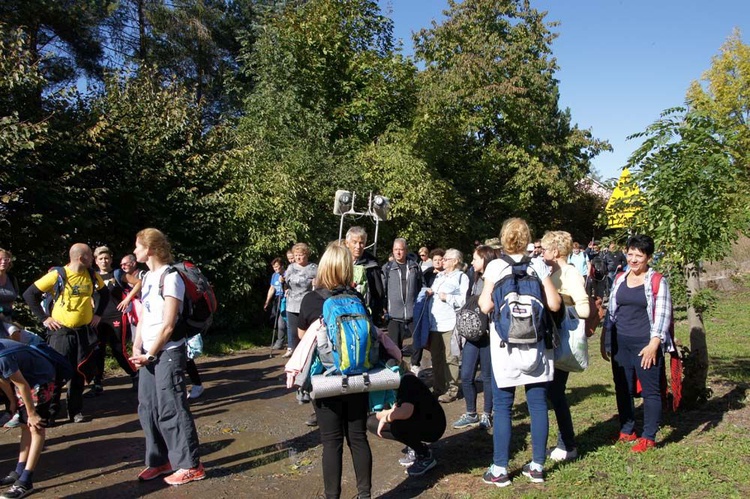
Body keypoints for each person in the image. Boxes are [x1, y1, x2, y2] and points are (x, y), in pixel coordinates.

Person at [479, 218, 561, 486]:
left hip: (505, 347)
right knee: (538, 404)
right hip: (536, 345)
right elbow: (554, 303)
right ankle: (537, 466)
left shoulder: (495, 266)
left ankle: (500, 469)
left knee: (502, 406)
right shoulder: (538, 265)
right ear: (527, 239)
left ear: (503, 239)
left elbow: (484, 306)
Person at [128, 228, 205, 485]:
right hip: (148, 354)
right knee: (148, 408)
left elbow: (169, 324)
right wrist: (137, 347)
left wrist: (149, 354)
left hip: (168, 353)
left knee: (171, 407)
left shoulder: (171, 277)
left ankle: (190, 465)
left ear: (150, 249)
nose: (134, 251)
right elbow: (145, 317)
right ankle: (160, 461)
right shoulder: (148, 277)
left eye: (137, 246)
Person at [297, 242, 372, 499]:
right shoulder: (357, 298)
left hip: (326, 380)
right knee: (358, 438)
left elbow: (301, 338)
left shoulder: (310, 300)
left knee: (331, 442)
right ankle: (364, 495)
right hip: (358, 378)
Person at [601, 234, 672, 453]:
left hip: (645, 344)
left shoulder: (657, 281)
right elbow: (612, 310)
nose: (633, 259)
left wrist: (653, 344)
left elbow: (663, 315)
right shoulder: (620, 278)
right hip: (621, 342)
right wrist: (606, 337)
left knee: (650, 391)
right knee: (623, 387)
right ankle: (627, 430)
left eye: (638, 255)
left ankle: (648, 436)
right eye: (630, 254)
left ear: (648, 257)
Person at [23, 243, 108, 424]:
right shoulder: (58, 274)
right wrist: (44, 318)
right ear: (81, 258)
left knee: (79, 372)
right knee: (56, 373)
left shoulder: (91, 274)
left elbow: (104, 294)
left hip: (83, 332)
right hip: (60, 333)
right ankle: (51, 413)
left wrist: (98, 314)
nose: (93, 259)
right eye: (90, 256)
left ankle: (75, 411)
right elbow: (30, 294)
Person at [541, 231, 590, 462]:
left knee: (556, 393)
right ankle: (566, 441)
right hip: (553, 339)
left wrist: (559, 301)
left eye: (545, 249)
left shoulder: (570, 273)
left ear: (556, 251)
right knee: (553, 392)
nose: (542, 252)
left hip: (564, 339)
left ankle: (568, 444)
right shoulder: (554, 272)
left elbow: (584, 309)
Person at [0, 339, 57, 499]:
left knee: (36, 426)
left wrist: (32, 413)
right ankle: (18, 472)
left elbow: (23, 385)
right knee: (25, 425)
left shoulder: (2, 356)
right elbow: (2, 379)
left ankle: (26, 480)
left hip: (40, 378)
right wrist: (12, 401)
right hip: (23, 379)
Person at [452, 245, 498, 431]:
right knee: (466, 375)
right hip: (473, 335)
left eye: (475, 259)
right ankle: (471, 413)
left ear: (485, 259)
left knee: (487, 377)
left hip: (488, 336)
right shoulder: (475, 277)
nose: (472, 262)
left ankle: (487, 414)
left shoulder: (495, 279)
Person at [368, 371, 446, 477]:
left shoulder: (407, 381)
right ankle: (415, 447)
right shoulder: (396, 384)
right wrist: (380, 415)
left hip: (433, 427)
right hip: (418, 420)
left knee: (396, 426)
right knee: (372, 422)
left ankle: (425, 456)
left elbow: (405, 412)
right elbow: (394, 410)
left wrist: (385, 418)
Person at [87, 246, 138, 396]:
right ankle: (97, 383)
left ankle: (135, 375)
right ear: (95, 261)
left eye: (106, 258)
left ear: (111, 259)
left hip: (116, 316)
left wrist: (128, 299)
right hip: (97, 318)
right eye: (101, 258)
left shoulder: (117, 273)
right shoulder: (91, 276)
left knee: (118, 349)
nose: (104, 261)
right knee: (98, 350)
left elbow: (138, 283)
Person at [425, 248, 468, 404]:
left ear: (455, 261)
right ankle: (438, 388)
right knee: (436, 358)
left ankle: (452, 390)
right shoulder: (439, 276)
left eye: (446, 258)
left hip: (450, 323)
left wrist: (447, 297)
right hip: (435, 324)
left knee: (451, 358)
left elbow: (463, 300)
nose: (443, 261)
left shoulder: (461, 277)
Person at [382, 238, 423, 359]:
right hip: (394, 314)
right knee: (394, 347)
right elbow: (382, 290)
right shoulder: (387, 268)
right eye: (396, 250)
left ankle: (415, 364)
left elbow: (422, 285)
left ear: (406, 250)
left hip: (413, 312)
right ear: (392, 251)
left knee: (418, 340)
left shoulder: (414, 267)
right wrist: (384, 308)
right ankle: (398, 368)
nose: (398, 252)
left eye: (401, 249)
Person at [283, 243, 317, 359]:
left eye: (300, 255)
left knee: (307, 334)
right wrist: (283, 283)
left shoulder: (313, 268)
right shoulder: (291, 267)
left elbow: (321, 282)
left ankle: (308, 357)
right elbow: (286, 281)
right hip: (292, 304)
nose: (297, 258)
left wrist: (316, 282)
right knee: (293, 333)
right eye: (296, 255)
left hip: (307, 305)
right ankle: (296, 358)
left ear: (306, 255)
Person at [345, 227, 385, 326]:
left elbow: (378, 294)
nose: (358, 246)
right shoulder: (339, 261)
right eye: (354, 242)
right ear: (347, 243)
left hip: (365, 315)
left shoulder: (372, 265)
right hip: (342, 312)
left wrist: (376, 316)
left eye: (361, 243)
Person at [263, 258, 287, 351]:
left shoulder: (287, 274)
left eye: (277, 267)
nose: (275, 269)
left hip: (285, 299)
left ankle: (280, 342)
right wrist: (267, 301)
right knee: (276, 319)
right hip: (277, 299)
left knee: (282, 321)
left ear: (282, 265)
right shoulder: (274, 275)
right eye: (274, 267)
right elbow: (272, 288)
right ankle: (282, 341)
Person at [0, 249, 20, 320]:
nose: (3, 262)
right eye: (0, 259)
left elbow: (12, 299)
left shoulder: (12, 279)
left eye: (6, 259)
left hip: (8, 319)